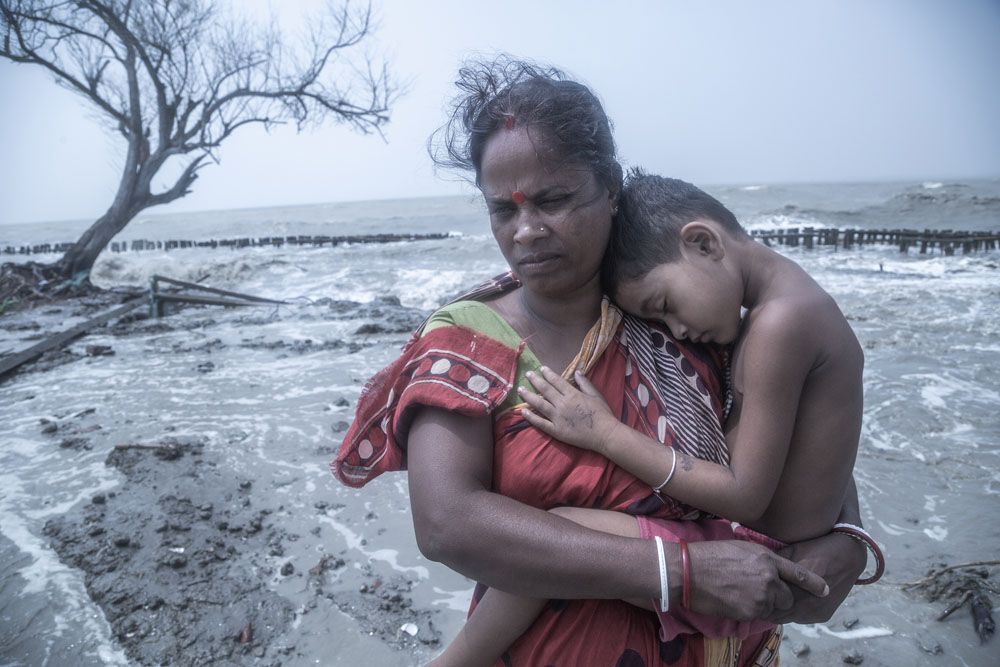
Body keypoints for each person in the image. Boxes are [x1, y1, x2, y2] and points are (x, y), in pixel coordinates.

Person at [332, 56, 871, 667]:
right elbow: (447, 524)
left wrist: (846, 538)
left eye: (554, 199)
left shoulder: (677, 318)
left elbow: (789, 434)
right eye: (503, 211)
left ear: (610, 189)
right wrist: (681, 572)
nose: (527, 230)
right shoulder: (469, 343)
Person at [430, 173, 883, 666]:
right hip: (778, 557)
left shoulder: (779, 326)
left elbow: (745, 493)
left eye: (664, 308)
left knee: (563, 530)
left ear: (703, 242)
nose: (678, 330)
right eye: (660, 322)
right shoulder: (778, 311)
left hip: (756, 560)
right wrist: (851, 531)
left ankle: (455, 660)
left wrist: (605, 433)